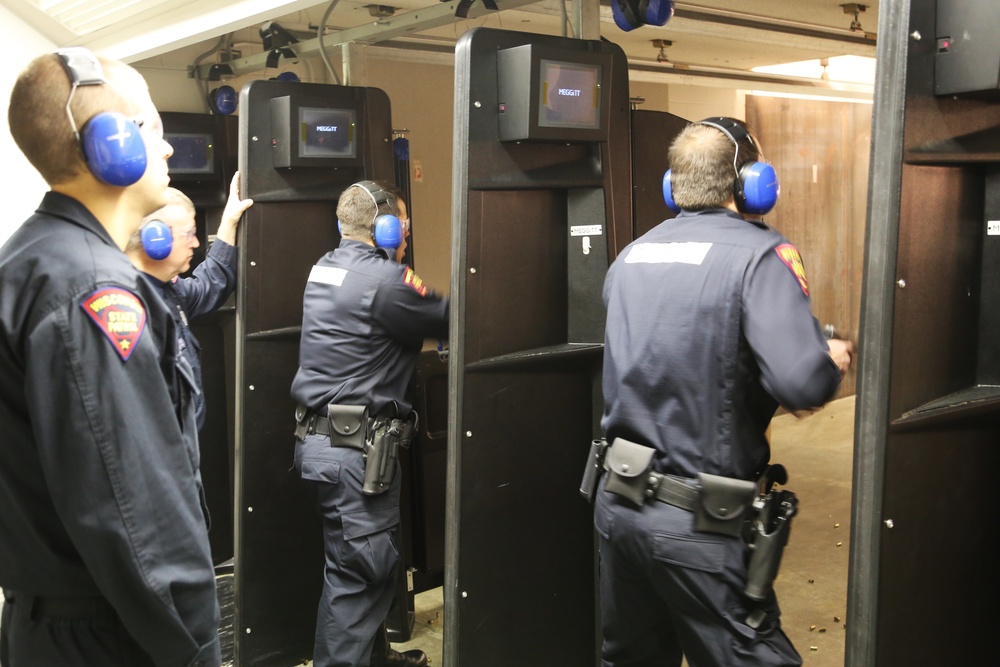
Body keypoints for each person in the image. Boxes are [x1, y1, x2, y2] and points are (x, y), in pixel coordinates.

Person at [595, 117, 853, 667]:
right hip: (699, 522)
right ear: (753, 182)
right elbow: (800, 384)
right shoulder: (761, 255)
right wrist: (825, 360)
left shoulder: (630, 257)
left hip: (619, 503)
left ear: (675, 186)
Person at [0, 48, 221, 666]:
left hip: (58, 629)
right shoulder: (91, 293)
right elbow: (137, 516)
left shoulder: (32, 262)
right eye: (152, 126)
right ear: (111, 143)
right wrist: (197, 649)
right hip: (111, 636)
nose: (171, 149)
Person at [290, 181, 447, 667]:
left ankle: (375, 659)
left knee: (362, 566)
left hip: (323, 448)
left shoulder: (325, 268)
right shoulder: (386, 280)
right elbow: (451, 317)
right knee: (358, 578)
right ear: (384, 226)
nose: (404, 232)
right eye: (402, 223)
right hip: (356, 456)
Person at [125, 173, 253, 430]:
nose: (195, 242)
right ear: (155, 238)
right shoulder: (127, 309)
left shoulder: (166, 290)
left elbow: (209, 285)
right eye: (188, 234)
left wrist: (229, 221)